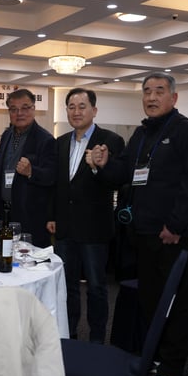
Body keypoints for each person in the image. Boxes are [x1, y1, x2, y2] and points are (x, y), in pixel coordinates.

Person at [89, 72, 188, 376]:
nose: (152, 97)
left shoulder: (186, 132)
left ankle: (172, 374)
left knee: (175, 305)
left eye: (159, 91)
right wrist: (104, 164)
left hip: (172, 236)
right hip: (143, 235)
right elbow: (125, 172)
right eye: (147, 91)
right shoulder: (142, 133)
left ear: (174, 97)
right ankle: (157, 358)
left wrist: (176, 225)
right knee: (152, 302)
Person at [46, 88, 124, 344]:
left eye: (82, 106)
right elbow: (57, 185)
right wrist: (52, 216)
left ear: (94, 110)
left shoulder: (110, 140)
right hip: (65, 229)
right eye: (71, 107)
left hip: (94, 229)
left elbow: (117, 180)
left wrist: (99, 167)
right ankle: (69, 334)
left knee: (96, 288)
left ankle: (97, 339)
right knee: (67, 286)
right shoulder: (60, 142)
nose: (76, 112)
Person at [0, 88, 56, 247]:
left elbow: (52, 176)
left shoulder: (45, 139)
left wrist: (31, 172)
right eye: (14, 109)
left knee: (30, 258)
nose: (19, 113)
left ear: (33, 109)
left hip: (31, 217)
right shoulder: (6, 135)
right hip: (6, 213)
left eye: (25, 108)